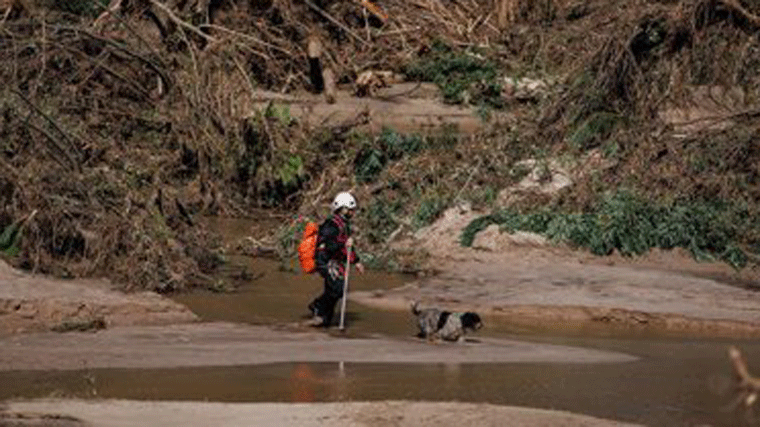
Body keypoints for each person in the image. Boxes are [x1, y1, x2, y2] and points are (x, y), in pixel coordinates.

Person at [307, 191, 365, 327]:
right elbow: (327, 245)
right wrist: (343, 244)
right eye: (351, 210)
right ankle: (317, 305)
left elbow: (346, 246)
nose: (353, 213)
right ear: (343, 209)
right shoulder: (331, 225)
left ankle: (324, 318)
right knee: (338, 289)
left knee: (334, 290)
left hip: (334, 261)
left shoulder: (344, 225)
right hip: (325, 261)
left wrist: (356, 261)